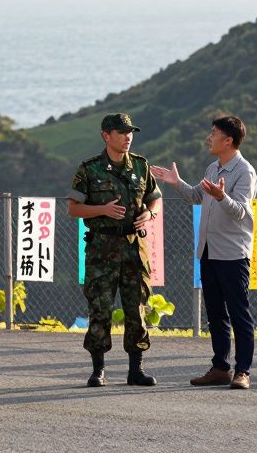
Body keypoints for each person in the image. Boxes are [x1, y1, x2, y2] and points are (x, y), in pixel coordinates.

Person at [150, 115, 257, 390]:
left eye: (214, 133)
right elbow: (196, 196)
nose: (209, 138)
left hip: (233, 254)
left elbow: (242, 213)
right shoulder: (213, 168)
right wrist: (176, 182)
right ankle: (221, 367)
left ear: (229, 140)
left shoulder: (245, 172)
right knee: (215, 313)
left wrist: (223, 197)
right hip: (208, 252)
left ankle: (243, 371)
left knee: (238, 313)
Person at [67, 113, 162, 387]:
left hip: (134, 247)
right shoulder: (90, 169)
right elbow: (73, 208)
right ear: (106, 136)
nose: (127, 137)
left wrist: (150, 215)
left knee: (137, 308)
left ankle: (136, 370)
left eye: (130, 132)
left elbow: (154, 199)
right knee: (100, 309)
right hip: (102, 249)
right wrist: (102, 210)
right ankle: (98, 370)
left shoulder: (141, 167)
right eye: (121, 132)